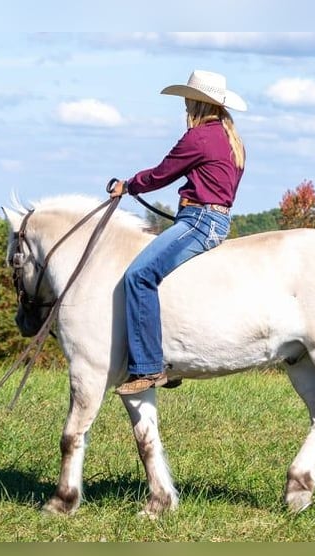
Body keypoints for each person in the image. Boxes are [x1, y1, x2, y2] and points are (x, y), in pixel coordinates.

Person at [110, 69, 247, 395]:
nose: (185, 105)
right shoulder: (230, 137)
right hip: (214, 218)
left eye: (188, 100)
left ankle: (148, 368)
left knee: (139, 276)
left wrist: (127, 186)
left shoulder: (199, 137)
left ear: (197, 103)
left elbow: (161, 174)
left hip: (199, 221)